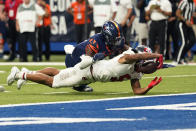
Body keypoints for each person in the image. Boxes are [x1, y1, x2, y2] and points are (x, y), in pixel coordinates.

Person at [7, 46, 163, 95]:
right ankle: (20, 74)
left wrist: (148, 88)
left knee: (58, 73)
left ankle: (27, 72)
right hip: (87, 72)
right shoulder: (127, 57)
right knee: (53, 83)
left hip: (91, 76)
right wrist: (156, 55)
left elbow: (136, 90)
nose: (145, 63)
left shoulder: (136, 71)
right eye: (145, 60)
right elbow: (140, 55)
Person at [65, 20, 126, 92]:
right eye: (114, 38)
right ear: (106, 36)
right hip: (75, 60)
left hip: (85, 59)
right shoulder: (95, 42)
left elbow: (127, 49)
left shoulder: (112, 42)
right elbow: (85, 61)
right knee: (97, 72)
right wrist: (94, 59)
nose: (117, 41)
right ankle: (77, 84)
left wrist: (136, 52)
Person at [175, 0, 196, 64]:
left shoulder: (193, 3)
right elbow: (177, 13)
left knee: (192, 40)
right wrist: (185, 20)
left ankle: (181, 57)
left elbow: (191, 13)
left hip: (188, 24)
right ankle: (178, 60)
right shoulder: (184, 2)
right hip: (182, 23)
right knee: (183, 42)